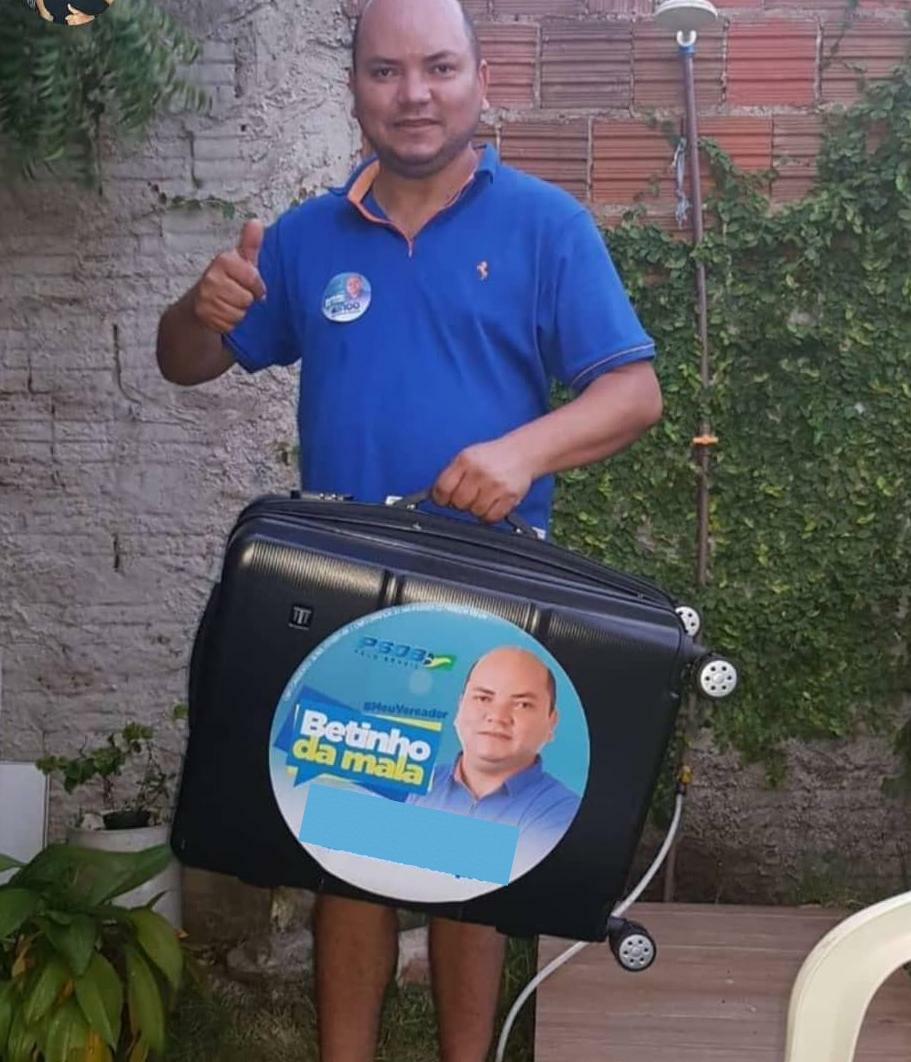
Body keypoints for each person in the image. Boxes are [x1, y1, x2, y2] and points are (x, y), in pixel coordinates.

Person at [155, 0, 662, 1057]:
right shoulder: (304, 237)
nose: (414, 93)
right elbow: (185, 365)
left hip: (493, 597)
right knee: (344, 850)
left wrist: (519, 453)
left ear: (480, 80)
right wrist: (198, 311)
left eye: (438, 67)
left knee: (472, 861)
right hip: (347, 598)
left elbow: (631, 394)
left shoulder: (544, 226)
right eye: (385, 71)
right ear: (355, 87)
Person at [408, 646, 580, 878]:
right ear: (460, 707)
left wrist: (395, 835)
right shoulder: (412, 782)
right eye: (483, 698)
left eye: (522, 704)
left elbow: (522, 866)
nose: (498, 716)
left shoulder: (565, 811)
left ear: (551, 722)